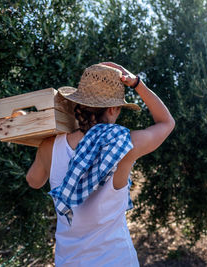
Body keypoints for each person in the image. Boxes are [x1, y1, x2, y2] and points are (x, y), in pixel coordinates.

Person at [25, 62, 175, 266]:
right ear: (113, 109)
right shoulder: (124, 145)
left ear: (78, 104)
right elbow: (167, 122)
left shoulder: (49, 146)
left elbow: (34, 181)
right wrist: (137, 83)